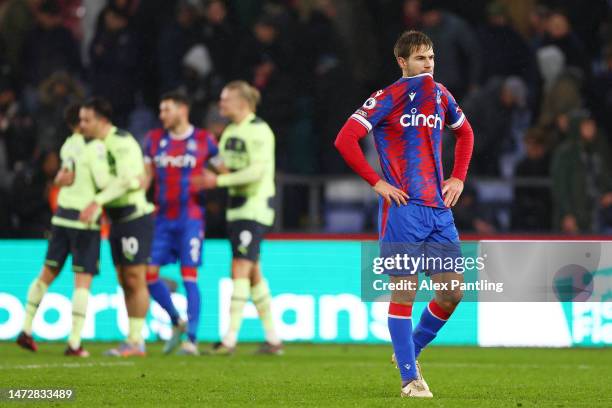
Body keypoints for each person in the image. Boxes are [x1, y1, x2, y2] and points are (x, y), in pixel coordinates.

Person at [334, 31, 474, 398]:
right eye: (419, 58)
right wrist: (377, 183)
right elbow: (345, 139)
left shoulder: (442, 95)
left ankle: (409, 350)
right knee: (404, 292)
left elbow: (466, 135)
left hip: (438, 210)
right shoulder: (387, 97)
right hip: (402, 211)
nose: (427, 63)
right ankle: (410, 380)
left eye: (430, 57)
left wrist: (458, 176)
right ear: (402, 62)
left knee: (452, 292)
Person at [15, 102, 110, 357]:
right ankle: (75, 343)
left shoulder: (69, 144)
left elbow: (62, 177)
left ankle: (25, 329)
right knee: (82, 281)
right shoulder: (97, 147)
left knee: (46, 274)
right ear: (82, 122)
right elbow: (103, 182)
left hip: (61, 217)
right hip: (84, 220)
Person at [201, 80, 282, 355]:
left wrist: (217, 182)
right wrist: (207, 166)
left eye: (226, 99)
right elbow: (224, 165)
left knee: (238, 267)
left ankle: (229, 339)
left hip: (254, 207)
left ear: (243, 103)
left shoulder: (259, 131)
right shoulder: (231, 131)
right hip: (235, 208)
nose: (221, 104)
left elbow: (256, 173)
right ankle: (273, 339)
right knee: (253, 273)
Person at [142, 92, 219, 355]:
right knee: (148, 275)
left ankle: (192, 340)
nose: (161, 115)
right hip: (162, 220)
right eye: (161, 111)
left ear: (182, 109)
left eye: (166, 110)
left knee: (189, 278)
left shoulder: (205, 140)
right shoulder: (153, 141)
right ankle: (177, 321)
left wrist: (217, 177)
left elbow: (223, 170)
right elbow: (145, 178)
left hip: (191, 220)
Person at [78, 97, 154, 357]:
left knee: (135, 278)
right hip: (117, 220)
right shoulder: (96, 146)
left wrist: (97, 201)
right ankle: (133, 339)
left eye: (87, 120)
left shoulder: (121, 141)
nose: (82, 125)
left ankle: (136, 341)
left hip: (135, 217)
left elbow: (127, 181)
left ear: (101, 120)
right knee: (124, 279)